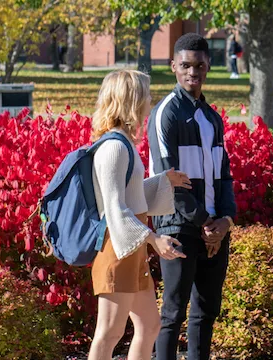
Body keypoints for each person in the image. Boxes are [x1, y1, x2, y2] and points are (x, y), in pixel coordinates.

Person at [85, 69, 193, 360]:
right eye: (146, 94)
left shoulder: (124, 145)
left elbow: (129, 196)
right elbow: (115, 209)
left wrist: (163, 181)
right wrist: (154, 239)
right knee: (109, 333)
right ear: (131, 100)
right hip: (117, 250)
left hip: (132, 249)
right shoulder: (113, 148)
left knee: (148, 325)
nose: (150, 100)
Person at [148, 33, 238, 360]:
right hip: (177, 226)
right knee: (173, 312)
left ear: (208, 65)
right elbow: (168, 180)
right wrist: (204, 222)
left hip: (212, 226)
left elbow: (224, 175)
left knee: (206, 311)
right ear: (173, 65)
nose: (192, 72)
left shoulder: (212, 118)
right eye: (185, 65)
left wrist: (225, 220)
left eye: (199, 65)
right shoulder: (165, 113)